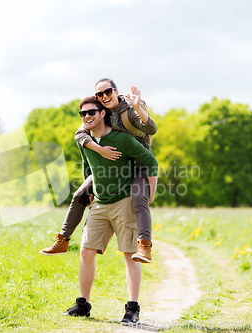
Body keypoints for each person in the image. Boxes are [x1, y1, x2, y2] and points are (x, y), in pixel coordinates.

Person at [62, 96, 159, 323]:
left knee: (129, 255)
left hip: (125, 200)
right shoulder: (83, 139)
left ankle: (132, 308)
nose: (87, 116)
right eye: (83, 114)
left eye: (91, 112)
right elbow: (88, 165)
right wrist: (91, 188)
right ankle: (83, 304)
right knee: (86, 252)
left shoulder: (122, 139)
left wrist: (150, 191)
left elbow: (150, 160)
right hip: (100, 202)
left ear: (102, 113)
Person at [41, 78, 158, 263]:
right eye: (99, 94)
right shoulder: (97, 113)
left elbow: (152, 129)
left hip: (137, 164)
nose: (104, 96)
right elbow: (80, 134)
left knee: (138, 197)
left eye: (108, 92)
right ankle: (62, 240)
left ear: (116, 91)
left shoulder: (128, 110)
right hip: (112, 165)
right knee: (79, 194)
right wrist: (100, 150)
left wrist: (138, 107)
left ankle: (144, 245)